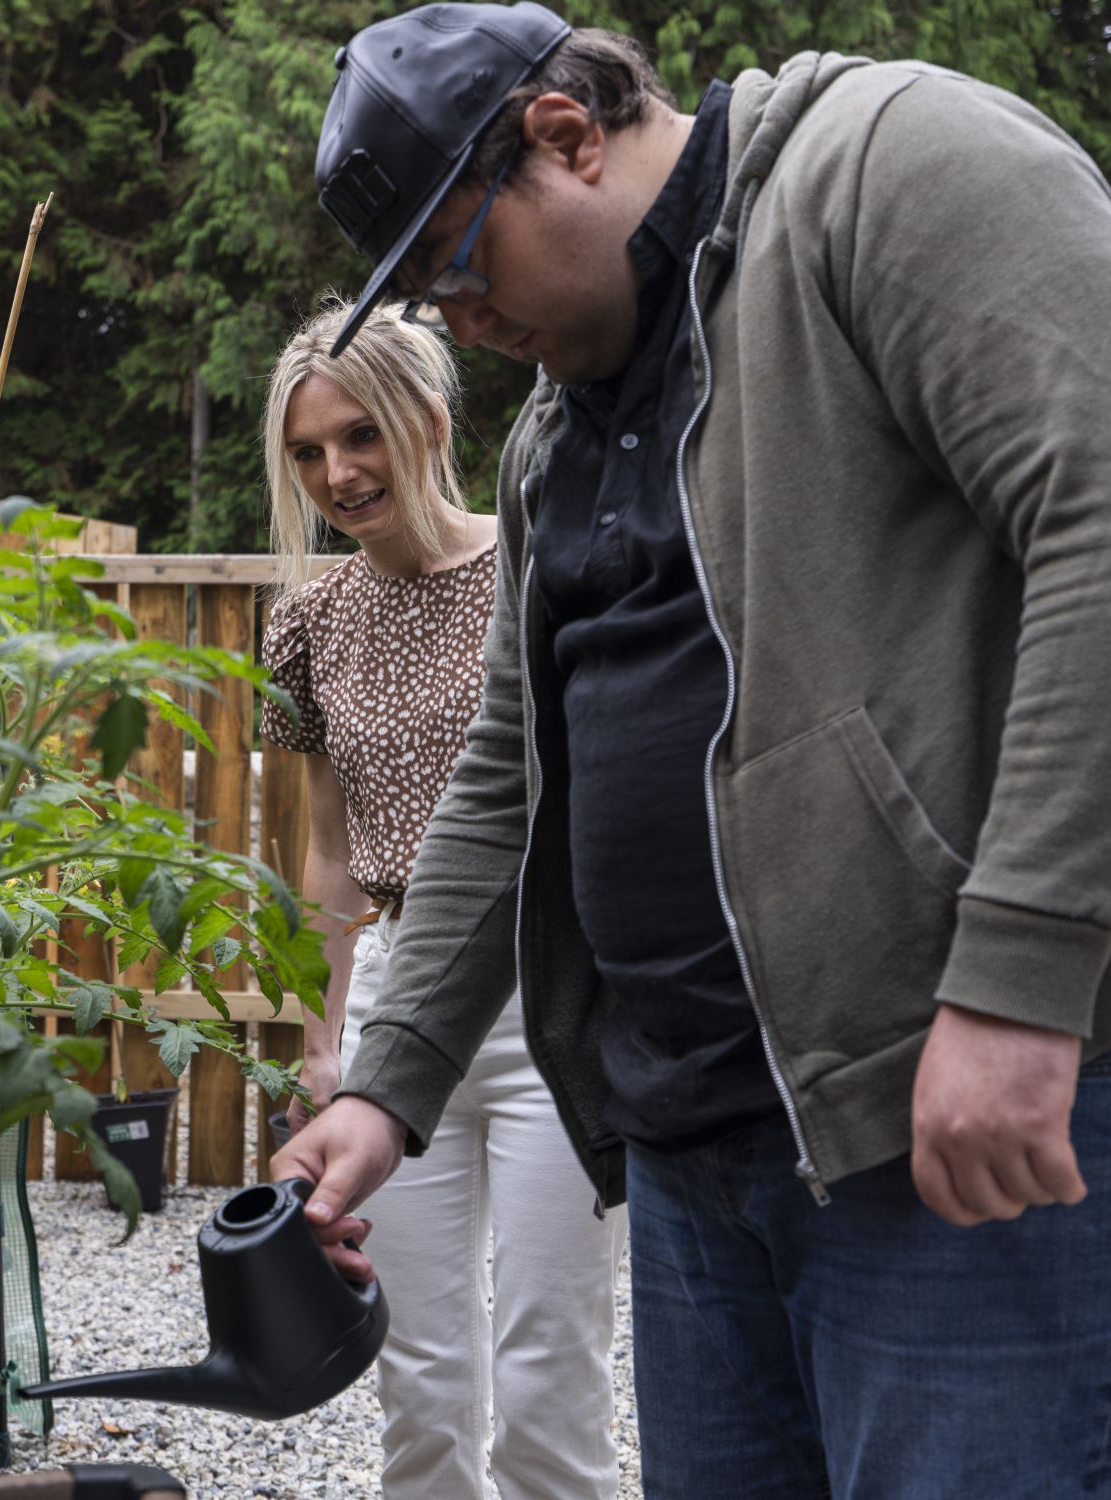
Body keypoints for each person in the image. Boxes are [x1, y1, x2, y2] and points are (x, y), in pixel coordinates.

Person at [269, 4, 1111, 1496]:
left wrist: (1019, 984)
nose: (456, 322)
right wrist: (383, 1084)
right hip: (693, 1156)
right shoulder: (558, 434)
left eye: (458, 267)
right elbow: (512, 776)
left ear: (565, 135)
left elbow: (1099, 529)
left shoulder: (888, 172)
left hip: (946, 1124)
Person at [259, 299, 626, 1499]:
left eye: (358, 436)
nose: (337, 473)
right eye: (309, 453)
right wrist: (325, 1041)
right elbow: (325, 858)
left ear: (426, 419)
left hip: (548, 1004)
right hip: (398, 1023)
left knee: (546, 1373)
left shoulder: (537, 570)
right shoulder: (308, 621)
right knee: (417, 1378)